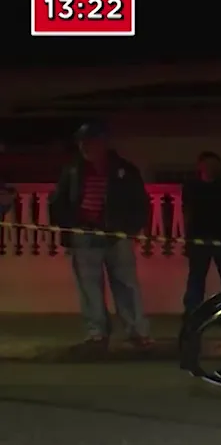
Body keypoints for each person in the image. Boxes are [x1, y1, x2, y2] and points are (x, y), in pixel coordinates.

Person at [47, 122, 153, 351]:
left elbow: (140, 204)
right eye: (82, 142)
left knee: (126, 284)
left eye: (90, 141)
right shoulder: (73, 170)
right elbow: (58, 200)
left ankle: (136, 332)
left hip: (116, 235)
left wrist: (129, 229)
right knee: (89, 287)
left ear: (103, 143)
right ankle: (97, 334)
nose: (85, 146)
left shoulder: (124, 170)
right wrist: (68, 228)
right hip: (84, 234)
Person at [181, 151, 221, 316]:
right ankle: (192, 310)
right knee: (197, 277)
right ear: (200, 166)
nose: (212, 168)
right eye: (208, 164)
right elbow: (187, 212)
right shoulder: (192, 186)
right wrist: (188, 238)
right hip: (199, 237)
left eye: (215, 165)